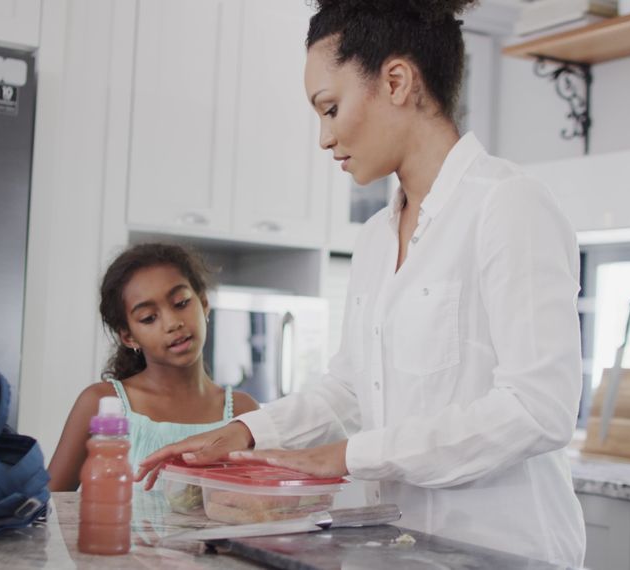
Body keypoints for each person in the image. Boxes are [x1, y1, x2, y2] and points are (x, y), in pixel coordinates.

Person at [135, 0, 586, 565]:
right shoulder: (375, 237)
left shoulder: (507, 205)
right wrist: (246, 433)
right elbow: (348, 389)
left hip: (503, 552)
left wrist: (351, 455)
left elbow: (538, 408)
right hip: (403, 547)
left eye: (330, 108)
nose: (324, 138)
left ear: (396, 81)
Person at [46, 243, 259, 492]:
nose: (172, 323)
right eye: (149, 318)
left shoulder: (243, 411)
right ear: (129, 337)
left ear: (203, 303)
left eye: (180, 303)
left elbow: (257, 507)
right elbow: (47, 507)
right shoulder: (101, 403)